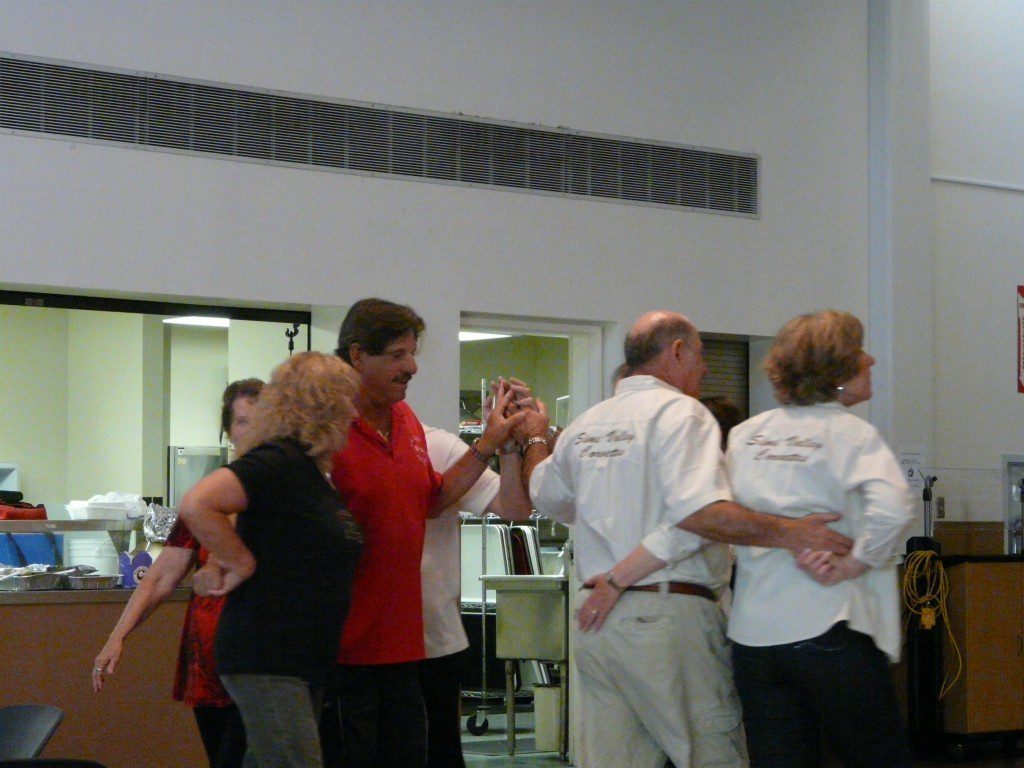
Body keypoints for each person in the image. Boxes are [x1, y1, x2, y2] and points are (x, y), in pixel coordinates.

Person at [518, 310, 855, 768]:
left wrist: (535, 438)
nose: (706, 369)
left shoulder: (586, 425)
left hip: (595, 621)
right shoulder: (681, 413)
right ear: (677, 351)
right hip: (666, 618)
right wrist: (794, 532)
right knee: (711, 755)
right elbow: (699, 515)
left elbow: (543, 493)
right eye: (700, 355)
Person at [325, 298, 527, 768]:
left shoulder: (406, 422)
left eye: (412, 354)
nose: (412, 367)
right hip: (347, 644)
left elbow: (432, 502)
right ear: (358, 356)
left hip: (404, 643)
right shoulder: (325, 430)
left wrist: (492, 443)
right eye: (398, 355)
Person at [725, 310, 915, 768]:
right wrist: (855, 562)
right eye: (860, 351)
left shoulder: (746, 435)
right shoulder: (852, 434)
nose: (871, 360)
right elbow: (894, 507)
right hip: (830, 628)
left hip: (754, 638)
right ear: (838, 368)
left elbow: (719, 519)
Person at [178, 352, 364, 768]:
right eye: (346, 402)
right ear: (321, 407)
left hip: (299, 658)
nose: (353, 414)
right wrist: (239, 562)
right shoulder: (278, 461)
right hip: (269, 654)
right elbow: (197, 503)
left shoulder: (309, 472)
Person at [92, 377, 263, 768]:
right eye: (242, 422)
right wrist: (117, 637)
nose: (251, 432)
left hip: (260, 658)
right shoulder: (206, 498)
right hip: (209, 661)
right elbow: (160, 577)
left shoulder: (281, 494)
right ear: (228, 431)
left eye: (260, 422)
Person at [420, 411, 532, 768]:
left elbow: (514, 507)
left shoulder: (434, 444)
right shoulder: (339, 445)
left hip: (433, 635)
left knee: (437, 751)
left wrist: (508, 447)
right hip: (367, 637)